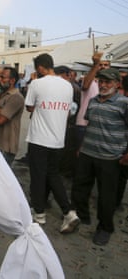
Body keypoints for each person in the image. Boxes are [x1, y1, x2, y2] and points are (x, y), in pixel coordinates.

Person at [69, 68, 128, 245]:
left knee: (106, 195)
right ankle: (82, 216)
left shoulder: (124, 103)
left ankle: (105, 228)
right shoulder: (93, 101)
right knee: (79, 188)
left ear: (117, 84)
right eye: (101, 81)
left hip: (110, 157)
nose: (102, 85)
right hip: (87, 153)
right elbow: (89, 124)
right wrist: (81, 146)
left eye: (107, 82)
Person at [25, 53, 79, 233]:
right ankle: (69, 212)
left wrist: (33, 86)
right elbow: (69, 110)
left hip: (39, 139)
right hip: (57, 140)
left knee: (38, 177)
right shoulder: (68, 85)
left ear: (40, 67)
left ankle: (39, 214)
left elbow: (29, 107)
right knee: (53, 175)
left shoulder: (36, 83)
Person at [75, 52, 110, 149]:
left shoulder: (112, 85)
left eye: (105, 65)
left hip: (101, 126)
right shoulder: (90, 80)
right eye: (100, 64)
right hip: (84, 125)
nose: (102, 67)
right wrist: (95, 64)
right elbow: (85, 86)